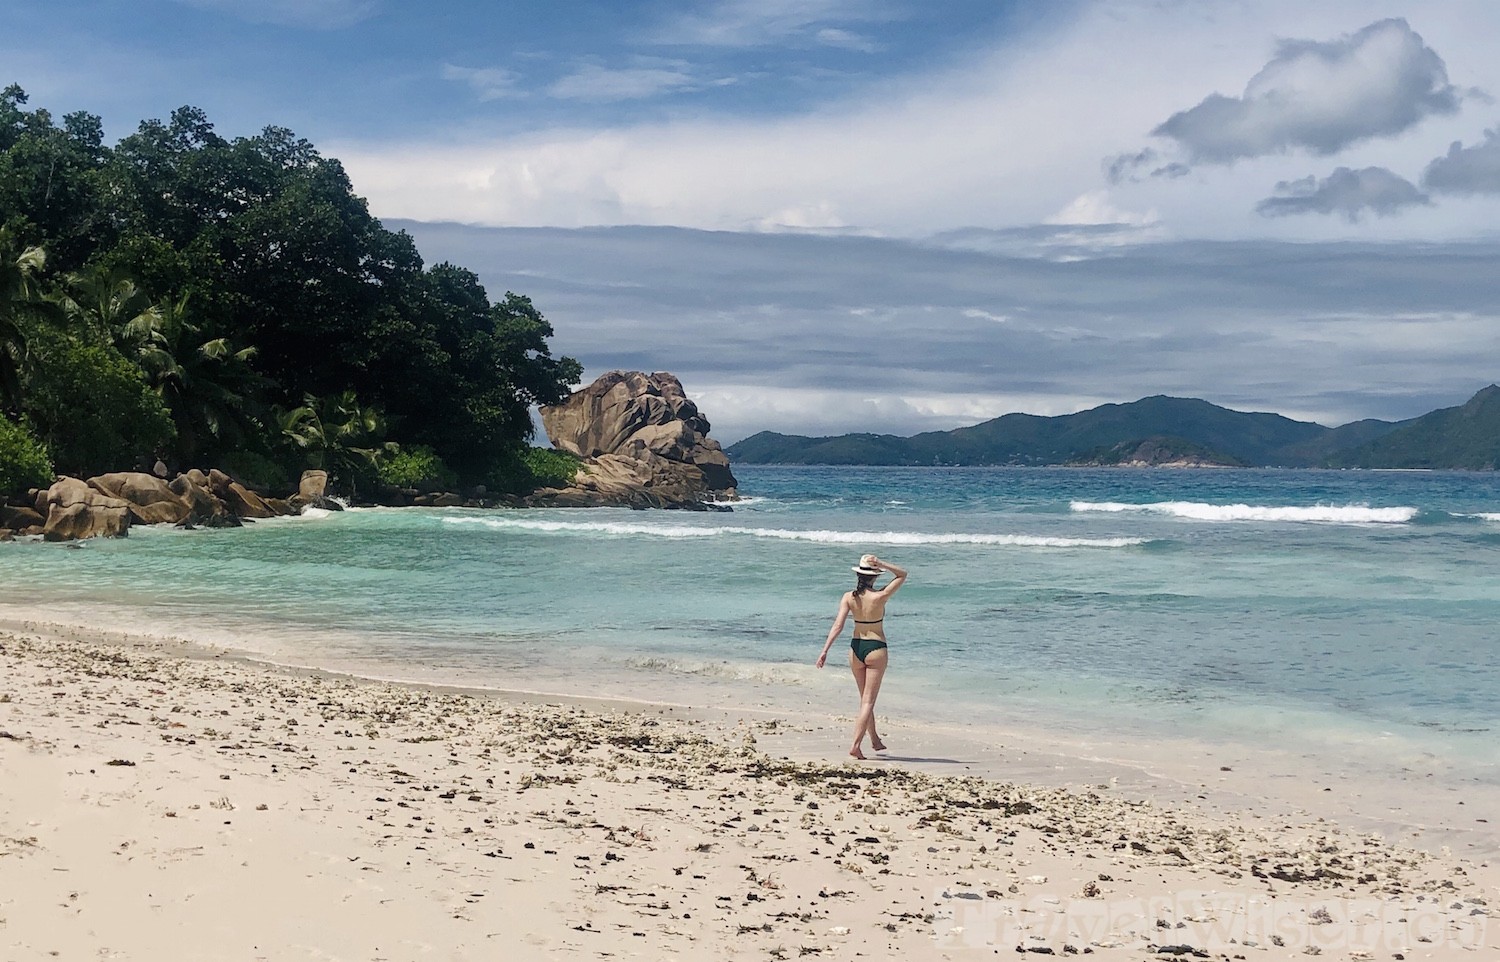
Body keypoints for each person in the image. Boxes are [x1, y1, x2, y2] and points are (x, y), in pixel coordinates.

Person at [815, 553, 907, 759]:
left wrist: (825, 651)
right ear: (874, 577)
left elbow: (838, 625)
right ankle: (856, 745)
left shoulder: (849, 597)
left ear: (858, 575)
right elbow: (902, 575)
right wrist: (881, 563)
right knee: (868, 702)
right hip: (876, 647)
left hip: (855, 648)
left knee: (864, 699)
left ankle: (874, 738)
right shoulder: (880, 596)